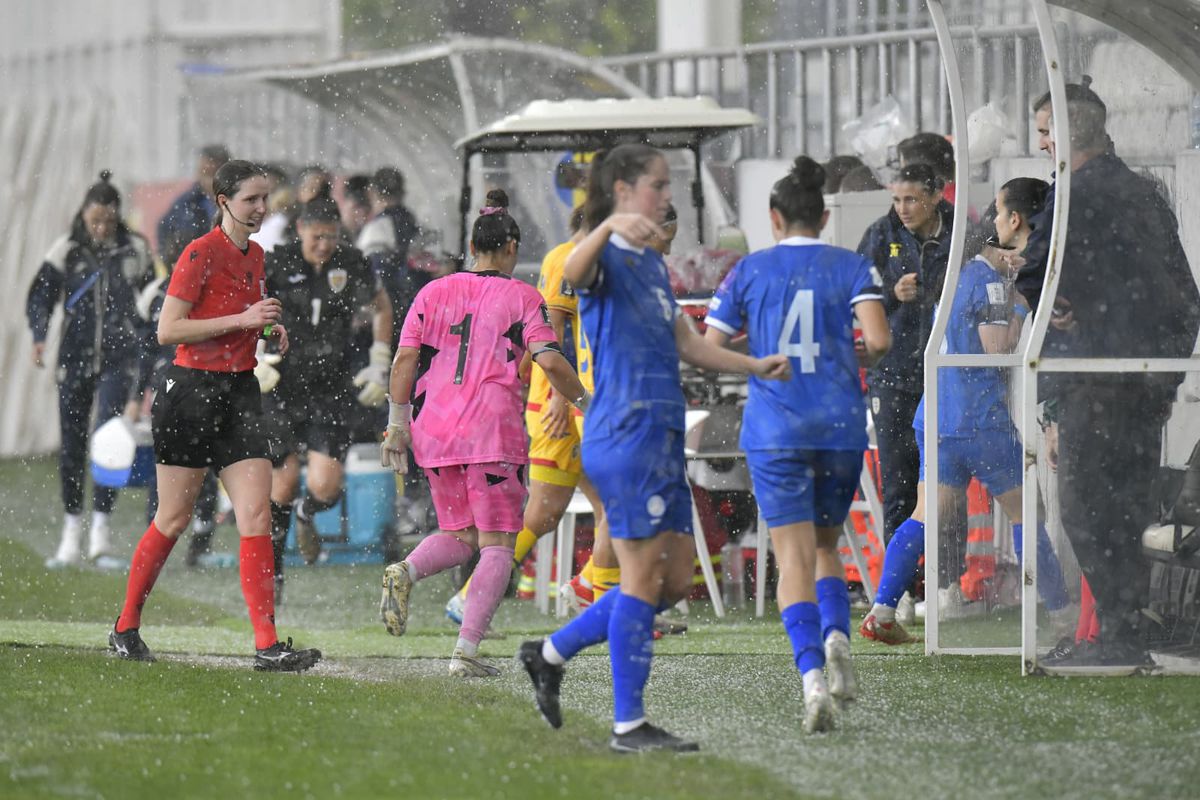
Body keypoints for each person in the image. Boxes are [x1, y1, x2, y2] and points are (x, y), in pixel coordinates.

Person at [516, 144, 790, 753]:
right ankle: (628, 724)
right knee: (642, 580)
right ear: (622, 190)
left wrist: (753, 365)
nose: (667, 197)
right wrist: (608, 224)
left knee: (669, 582)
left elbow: (689, 344)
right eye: (659, 185)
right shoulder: (603, 253)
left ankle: (551, 651)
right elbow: (571, 276)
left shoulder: (648, 263)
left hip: (661, 436)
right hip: (626, 432)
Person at [1013, 80, 1200, 664]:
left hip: (1093, 381)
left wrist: (1059, 307)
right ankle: (1125, 628)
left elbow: (1037, 276)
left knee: (1086, 508)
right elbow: (1182, 297)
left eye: (1045, 133)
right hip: (1141, 382)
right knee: (1125, 509)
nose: (1042, 145)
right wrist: (1162, 377)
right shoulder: (1146, 194)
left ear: (1067, 135)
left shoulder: (1073, 196)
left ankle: (1119, 632)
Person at [108, 159, 321, 672]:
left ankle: (267, 645)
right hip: (189, 394)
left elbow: (238, 321)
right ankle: (124, 627)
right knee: (174, 517)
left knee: (257, 514)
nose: (261, 207)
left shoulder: (258, 255)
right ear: (224, 200)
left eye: (265, 198)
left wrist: (267, 331)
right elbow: (168, 330)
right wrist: (244, 319)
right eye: (251, 198)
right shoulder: (199, 252)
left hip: (241, 392)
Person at [703, 156, 890, 732]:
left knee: (792, 559)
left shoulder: (748, 271)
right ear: (824, 216)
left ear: (774, 217)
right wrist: (853, 355)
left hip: (777, 429)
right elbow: (879, 340)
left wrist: (756, 361)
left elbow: (712, 344)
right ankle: (838, 639)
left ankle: (812, 682)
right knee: (827, 548)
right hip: (838, 425)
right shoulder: (852, 264)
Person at [378, 189, 589, 678]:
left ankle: (406, 570)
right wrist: (584, 403)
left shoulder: (433, 292)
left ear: (473, 246)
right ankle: (466, 652)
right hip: (490, 432)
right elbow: (550, 360)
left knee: (462, 533)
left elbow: (405, 359)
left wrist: (396, 425)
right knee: (498, 543)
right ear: (511, 247)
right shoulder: (521, 296)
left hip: (435, 431)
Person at [859, 183, 1073, 645]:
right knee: (1026, 515)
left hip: (936, 416)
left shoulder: (957, 277)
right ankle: (1062, 618)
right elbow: (997, 348)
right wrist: (1021, 302)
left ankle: (882, 609)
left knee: (923, 515)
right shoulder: (996, 285)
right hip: (980, 421)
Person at [260, 197, 394, 590]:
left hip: (330, 386)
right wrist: (258, 354)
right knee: (281, 483)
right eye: (317, 236)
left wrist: (379, 361)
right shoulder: (278, 263)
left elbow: (382, 307)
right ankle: (274, 573)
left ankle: (307, 514)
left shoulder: (351, 263)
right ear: (301, 228)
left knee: (326, 486)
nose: (324, 245)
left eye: (331, 237)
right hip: (281, 384)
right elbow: (251, 307)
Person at [27, 170, 156, 570]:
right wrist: (39, 335)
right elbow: (41, 294)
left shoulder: (135, 248)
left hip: (120, 359)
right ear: (84, 215)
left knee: (110, 442)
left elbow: (153, 298)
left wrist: (148, 340)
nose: (100, 227)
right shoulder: (66, 250)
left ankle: (100, 532)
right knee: (72, 444)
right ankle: (70, 533)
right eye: (94, 219)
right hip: (74, 356)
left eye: (107, 220)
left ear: (117, 216)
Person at [856, 164, 953, 550]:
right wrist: (892, 294)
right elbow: (856, 299)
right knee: (898, 483)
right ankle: (901, 589)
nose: (902, 208)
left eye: (911, 198)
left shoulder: (960, 233)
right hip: (893, 377)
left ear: (935, 195)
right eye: (896, 199)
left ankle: (945, 583)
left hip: (945, 377)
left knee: (945, 485)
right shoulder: (881, 235)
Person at [157, 144, 230, 267]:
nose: (209, 181)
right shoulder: (185, 203)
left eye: (214, 174)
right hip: (193, 271)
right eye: (205, 172)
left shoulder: (238, 201)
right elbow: (164, 231)